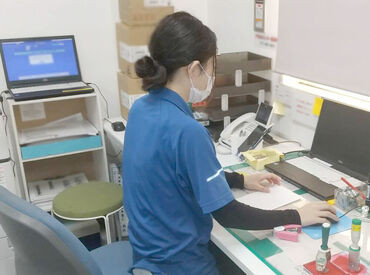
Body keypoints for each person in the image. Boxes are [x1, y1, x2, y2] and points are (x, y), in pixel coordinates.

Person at [122, 12, 338, 275]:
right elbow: (228, 214)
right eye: (212, 67)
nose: (212, 76)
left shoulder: (141, 109)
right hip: (181, 265)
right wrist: (296, 216)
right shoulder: (188, 131)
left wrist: (239, 180)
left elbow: (179, 172)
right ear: (193, 69)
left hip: (147, 256)